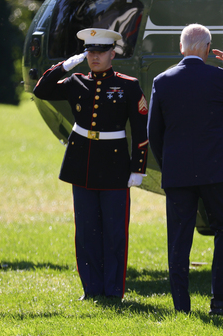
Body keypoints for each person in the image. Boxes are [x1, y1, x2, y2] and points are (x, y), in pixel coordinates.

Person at [147, 24, 223, 315]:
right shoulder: (219, 77)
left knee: (179, 237)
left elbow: (154, 133)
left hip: (178, 173)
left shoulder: (162, 80)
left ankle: (181, 307)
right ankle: (219, 300)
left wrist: (168, 165)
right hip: (214, 169)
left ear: (181, 47)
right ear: (208, 49)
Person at [33, 28, 149, 300]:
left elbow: (141, 130)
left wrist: (138, 169)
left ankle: (113, 291)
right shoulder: (76, 81)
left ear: (112, 53)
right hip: (81, 163)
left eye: (100, 52)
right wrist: (63, 66)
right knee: (86, 231)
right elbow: (41, 90)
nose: (94, 58)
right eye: (90, 52)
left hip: (114, 165)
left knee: (114, 233)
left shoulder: (128, 85)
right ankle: (91, 290)